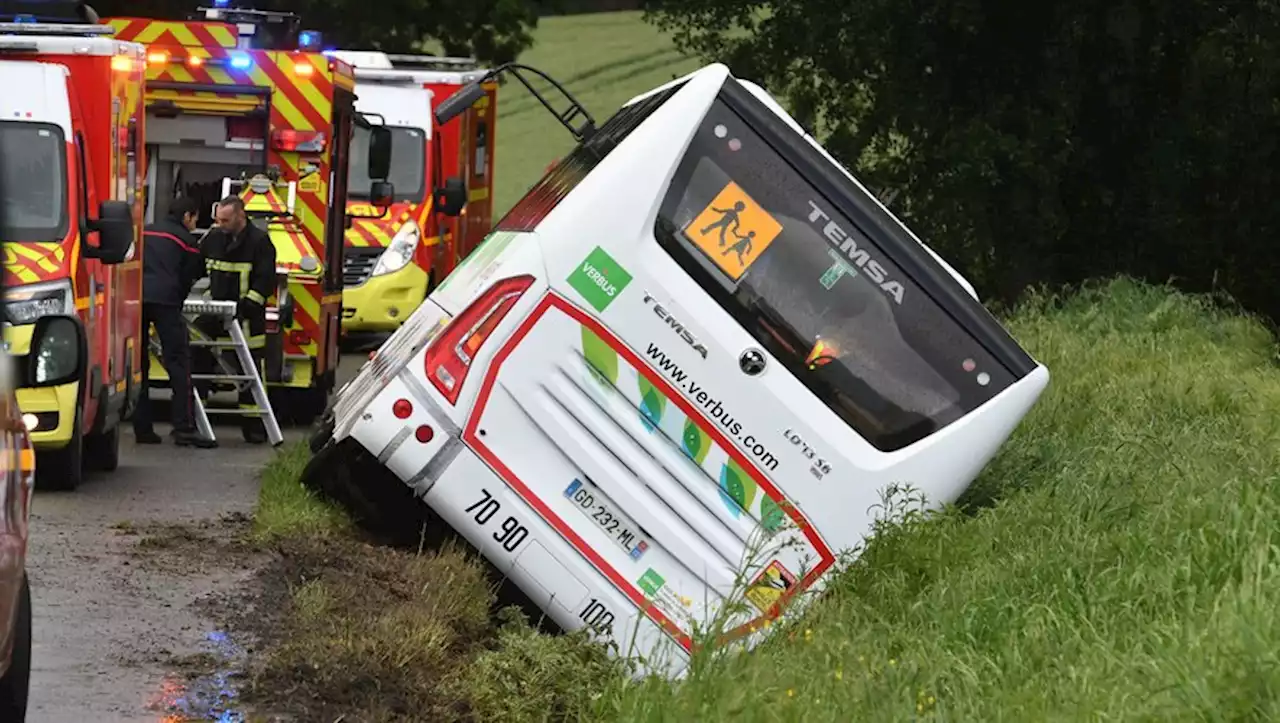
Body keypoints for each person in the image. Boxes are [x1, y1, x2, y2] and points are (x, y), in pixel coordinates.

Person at [133, 197, 216, 448]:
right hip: (167, 303)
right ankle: (184, 429)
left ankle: (143, 428)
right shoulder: (186, 240)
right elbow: (194, 273)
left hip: (136, 300)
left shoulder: (145, 231)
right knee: (179, 364)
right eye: (194, 219)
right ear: (187, 216)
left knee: (139, 366)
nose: (194, 224)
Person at [199, 195, 277, 444]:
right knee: (197, 355)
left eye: (225, 220)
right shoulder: (212, 239)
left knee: (249, 370)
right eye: (218, 219)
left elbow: (265, 281)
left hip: (246, 318)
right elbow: (197, 267)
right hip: (215, 313)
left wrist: (247, 307)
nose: (220, 224)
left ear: (240, 217)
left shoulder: (259, 242)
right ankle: (195, 419)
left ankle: (254, 427)